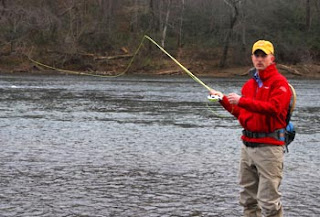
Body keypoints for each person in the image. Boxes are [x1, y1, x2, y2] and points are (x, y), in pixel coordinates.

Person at [210, 40, 291, 217]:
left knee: (269, 202)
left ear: (272, 58)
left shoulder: (280, 83)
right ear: (252, 58)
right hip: (247, 147)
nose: (260, 59)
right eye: (257, 55)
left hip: (269, 149)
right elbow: (242, 113)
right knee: (247, 200)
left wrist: (242, 101)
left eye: (264, 56)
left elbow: (274, 108)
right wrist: (222, 99)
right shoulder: (249, 85)